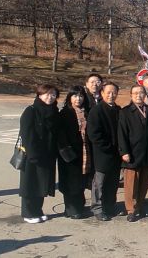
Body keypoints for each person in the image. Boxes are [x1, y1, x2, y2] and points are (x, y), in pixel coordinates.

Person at [19, 84, 60, 224]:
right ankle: (28, 212)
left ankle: (38, 210)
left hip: (47, 155)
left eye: (53, 94)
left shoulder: (54, 112)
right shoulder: (31, 111)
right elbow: (26, 134)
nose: (50, 97)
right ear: (39, 95)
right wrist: (32, 153)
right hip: (32, 155)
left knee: (42, 184)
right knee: (29, 184)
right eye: (47, 94)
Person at [118, 85, 148, 222]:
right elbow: (121, 134)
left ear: (145, 95)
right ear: (131, 95)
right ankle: (131, 209)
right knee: (131, 184)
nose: (138, 95)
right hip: (132, 153)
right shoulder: (126, 111)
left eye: (141, 93)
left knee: (144, 182)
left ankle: (140, 205)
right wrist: (124, 152)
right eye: (135, 93)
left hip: (147, 153)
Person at [87, 81, 122, 221]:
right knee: (99, 183)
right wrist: (108, 147)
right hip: (102, 153)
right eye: (108, 92)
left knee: (113, 182)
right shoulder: (96, 110)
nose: (111, 95)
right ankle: (97, 208)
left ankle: (110, 206)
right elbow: (94, 134)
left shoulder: (119, 110)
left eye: (114, 92)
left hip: (116, 154)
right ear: (102, 93)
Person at [57, 86, 90, 219]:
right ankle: (71, 209)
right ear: (70, 97)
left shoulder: (87, 112)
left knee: (81, 180)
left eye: (81, 96)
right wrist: (67, 151)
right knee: (70, 181)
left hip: (85, 151)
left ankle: (79, 206)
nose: (78, 99)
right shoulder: (64, 113)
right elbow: (60, 134)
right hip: (69, 153)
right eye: (75, 96)